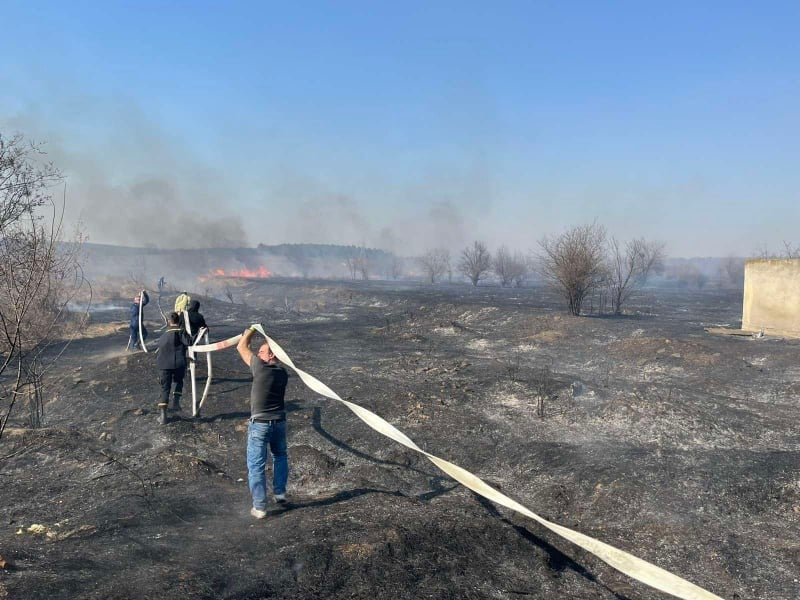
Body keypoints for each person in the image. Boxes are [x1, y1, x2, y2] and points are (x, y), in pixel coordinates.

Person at [237, 325, 289, 519]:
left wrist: (251, 330)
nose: (257, 355)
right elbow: (247, 348)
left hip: (260, 425)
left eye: (262, 352)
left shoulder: (260, 367)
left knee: (256, 465)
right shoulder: (283, 373)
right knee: (280, 456)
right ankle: (280, 493)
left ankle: (259, 507)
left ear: (271, 356)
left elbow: (241, 347)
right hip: (279, 423)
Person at [155, 312, 193, 424]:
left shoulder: (163, 335)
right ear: (179, 322)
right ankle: (176, 404)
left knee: (165, 388)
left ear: (168, 322)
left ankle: (163, 416)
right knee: (178, 382)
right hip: (178, 364)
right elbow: (189, 342)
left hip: (163, 365)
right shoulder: (180, 333)